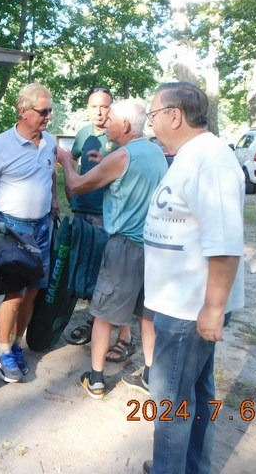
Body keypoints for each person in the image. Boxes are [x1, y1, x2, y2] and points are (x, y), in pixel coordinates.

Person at [142, 82, 245, 474]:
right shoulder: (191, 156)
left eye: (153, 115)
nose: (150, 124)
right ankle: (189, 467)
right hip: (181, 303)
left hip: (190, 309)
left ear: (174, 116)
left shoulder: (211, 160)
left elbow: (225, 244)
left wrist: (213, 309)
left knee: (171, 402)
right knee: (194, 395)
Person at [56, 99, 168, 399]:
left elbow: (77, 186)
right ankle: (150, 375)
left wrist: (66, 161)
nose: (106, 123)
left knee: (103, 314)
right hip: (154, 248)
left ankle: (96, 380)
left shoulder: (121, 157)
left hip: (123, 248)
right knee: (147, 316)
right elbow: (130, 177)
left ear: (126, 125)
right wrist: (103, 159)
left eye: (112, 119)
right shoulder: (155, 152)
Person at [0, 82, 58, 383]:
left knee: (34, 290)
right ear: (23, 111)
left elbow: (51, 173)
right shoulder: (1, 145)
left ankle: (17, 344)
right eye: (43, 111)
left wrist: (54, 202)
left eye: (50, 111)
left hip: (42, 226)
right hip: (13, 228)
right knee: (16, 292)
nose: (49, 116)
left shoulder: (50, 142)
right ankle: (2, 351)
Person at [64, 87, 135, 363]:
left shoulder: (118, 137)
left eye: (104, 106)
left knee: (113, 275)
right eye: (94, 106)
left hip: (108, 216)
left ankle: (125, 335)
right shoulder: (83, 134)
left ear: (111, 108)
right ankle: (95, 323)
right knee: (88, 271)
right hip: (82, 210)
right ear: (88, 108)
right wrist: (70, 192)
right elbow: (72, 158)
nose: (99, 112)